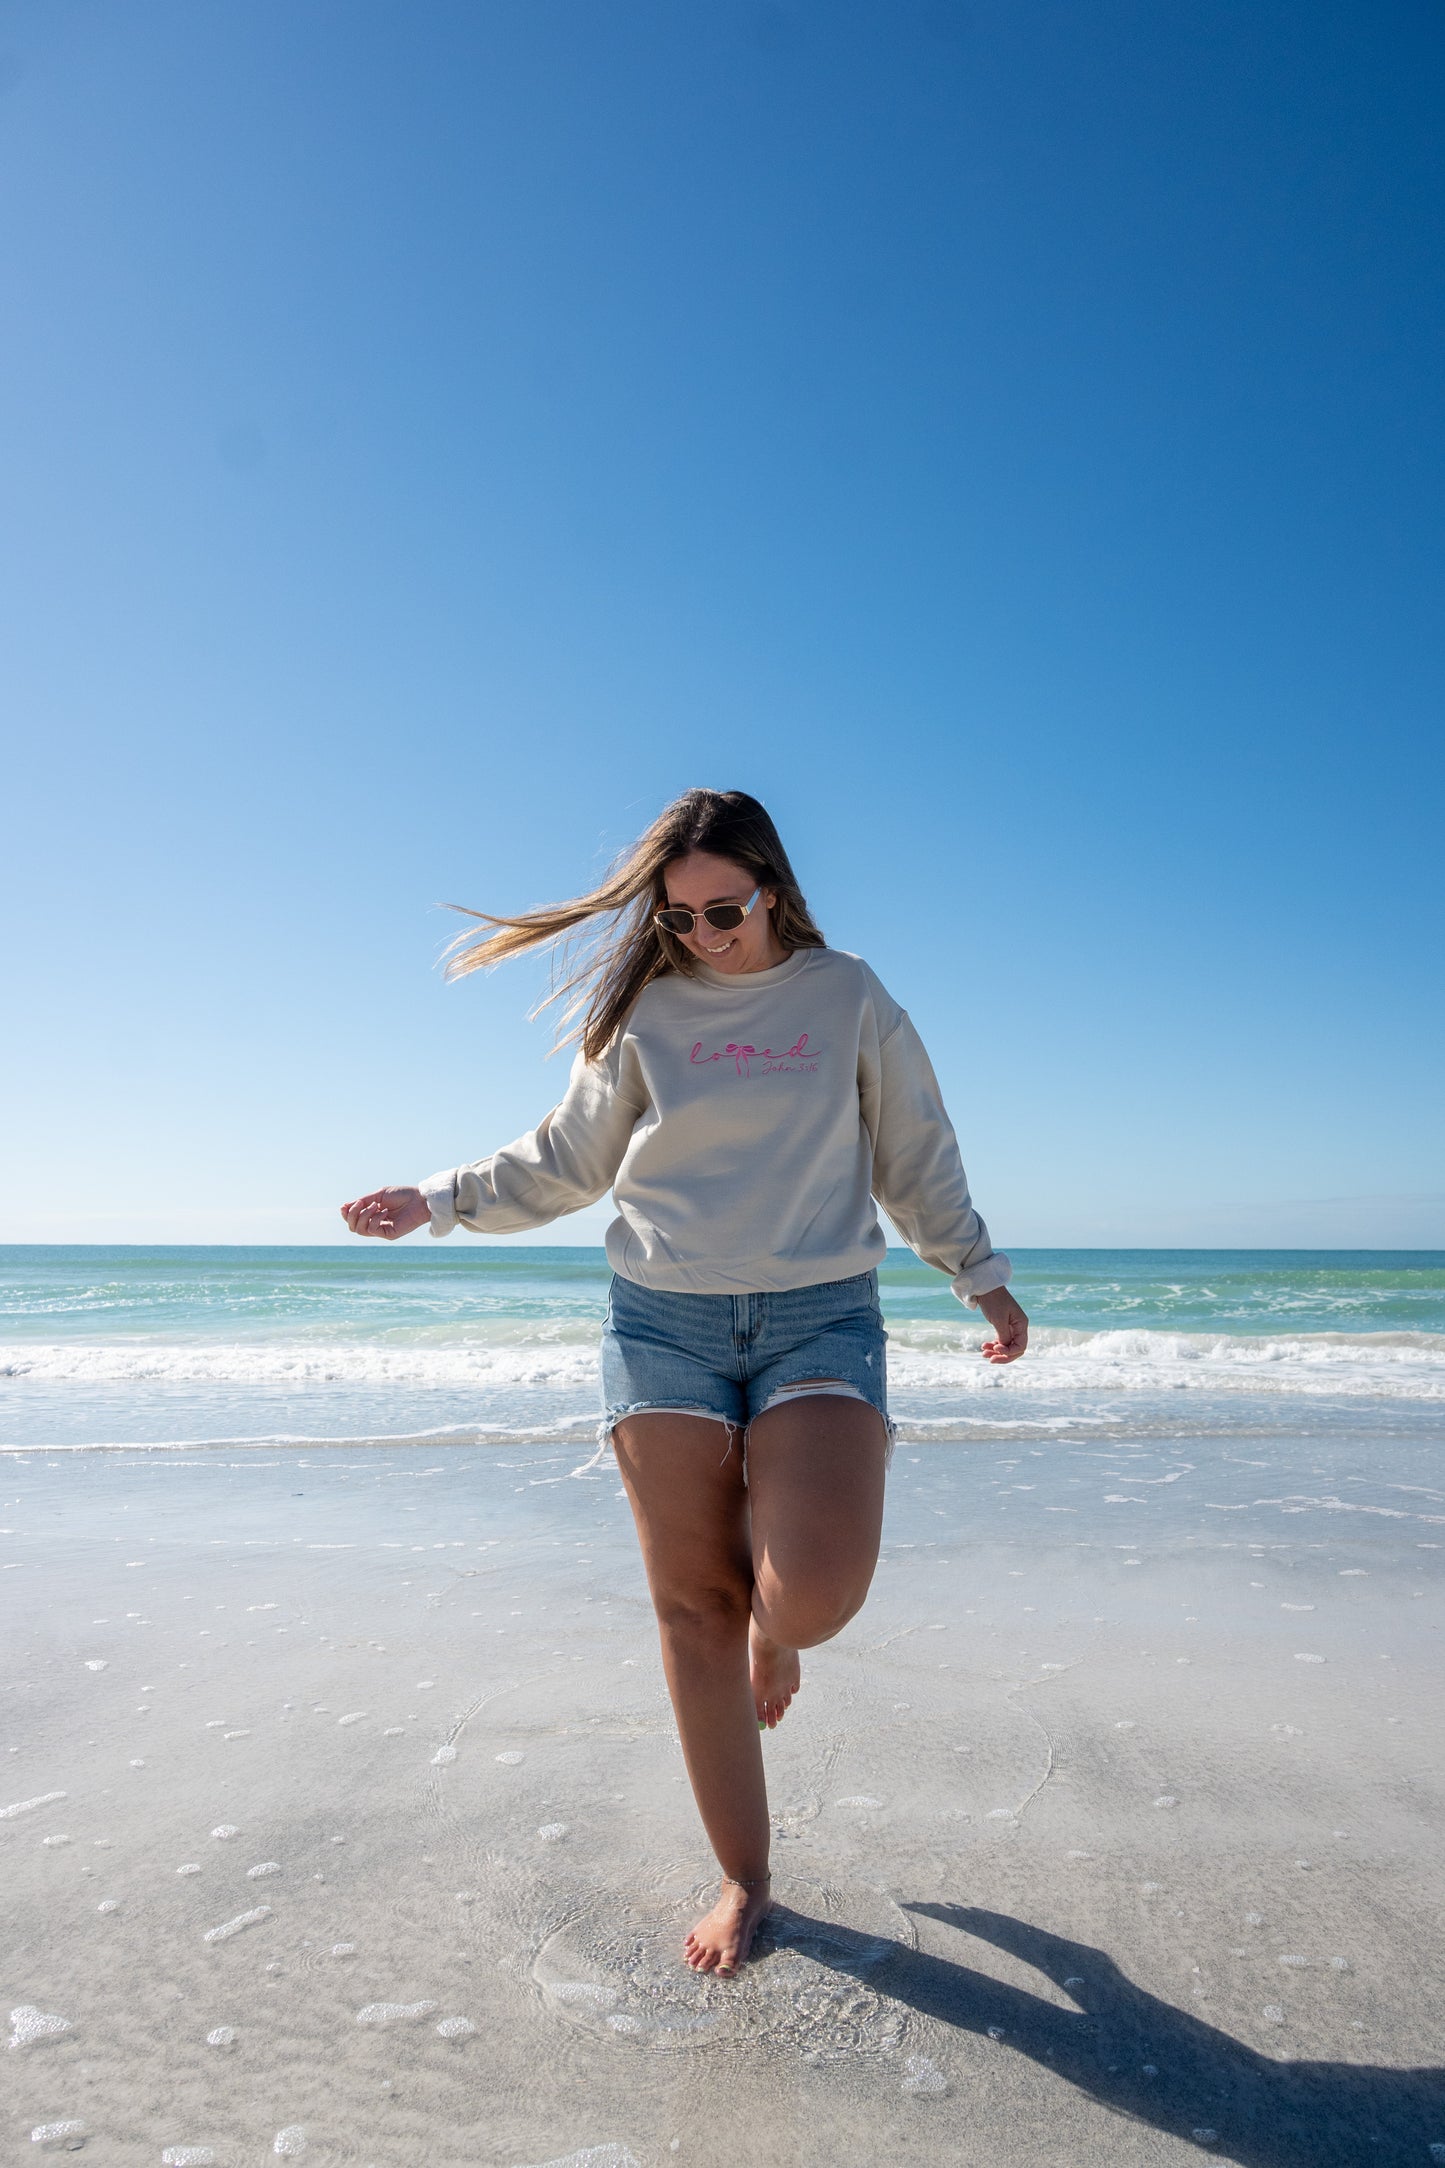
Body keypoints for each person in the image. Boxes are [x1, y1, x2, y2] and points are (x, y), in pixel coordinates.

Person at [341, 788, 1028, 1978]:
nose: (704, 936)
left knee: (805, 1591)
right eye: (680, 919)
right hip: (662, 1323)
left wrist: (980, 1277)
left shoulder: (846, 994)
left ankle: (782, 1635)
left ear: (772, 886)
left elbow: (916, 1150)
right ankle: (745, 1877)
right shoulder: (648, 1011)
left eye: (725, 910)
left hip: (819, 1314)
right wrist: (437, 1198)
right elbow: (564, 1162)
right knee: (689, 1609)